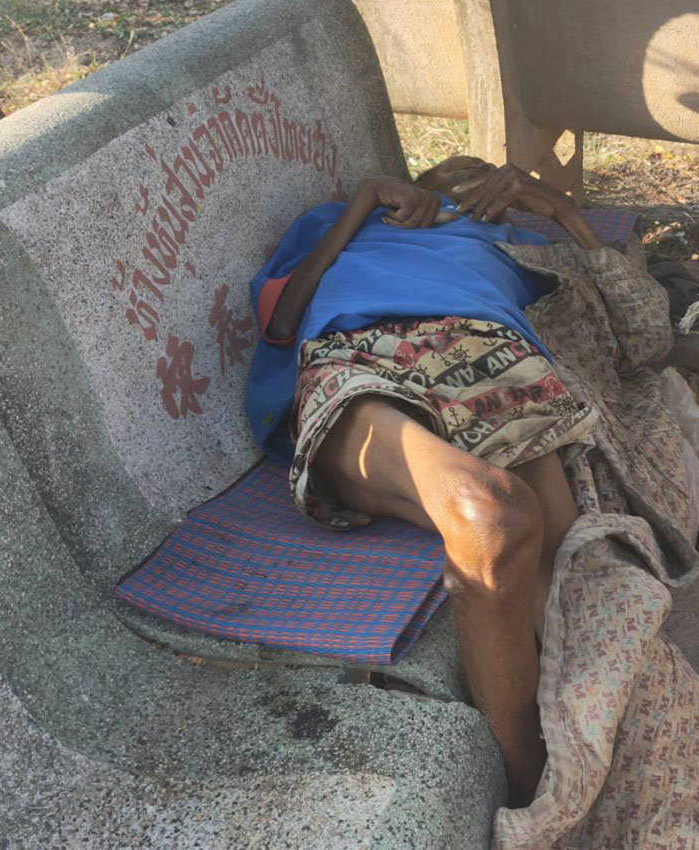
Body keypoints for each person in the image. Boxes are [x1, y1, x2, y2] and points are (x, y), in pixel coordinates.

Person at [246, 158, 603, 805]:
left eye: (481, 171)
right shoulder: (338, 222)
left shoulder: (506, 240)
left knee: (572, 576)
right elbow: (280, 323)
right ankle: (530, 795)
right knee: (492, 517)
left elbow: (621, 303)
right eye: (453, 166)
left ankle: (587, 771)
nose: (469, 172)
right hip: (360, 352)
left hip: (489, 356)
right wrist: (362, 204)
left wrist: (555, 206)